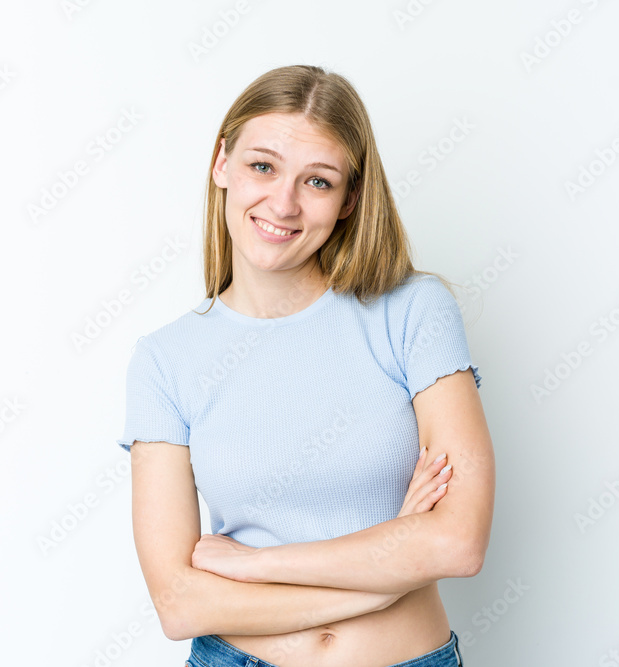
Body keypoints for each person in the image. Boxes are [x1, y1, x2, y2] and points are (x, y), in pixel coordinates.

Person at [116, 64, 495, 667]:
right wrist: (385, 579)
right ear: (222, 164)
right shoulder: (166, 359)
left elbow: (457, 541)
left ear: (349, 199)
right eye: (262, 166)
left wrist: (258, 566)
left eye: (317, 181)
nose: (283, 203)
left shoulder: (413, 311)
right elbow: (181, 603)